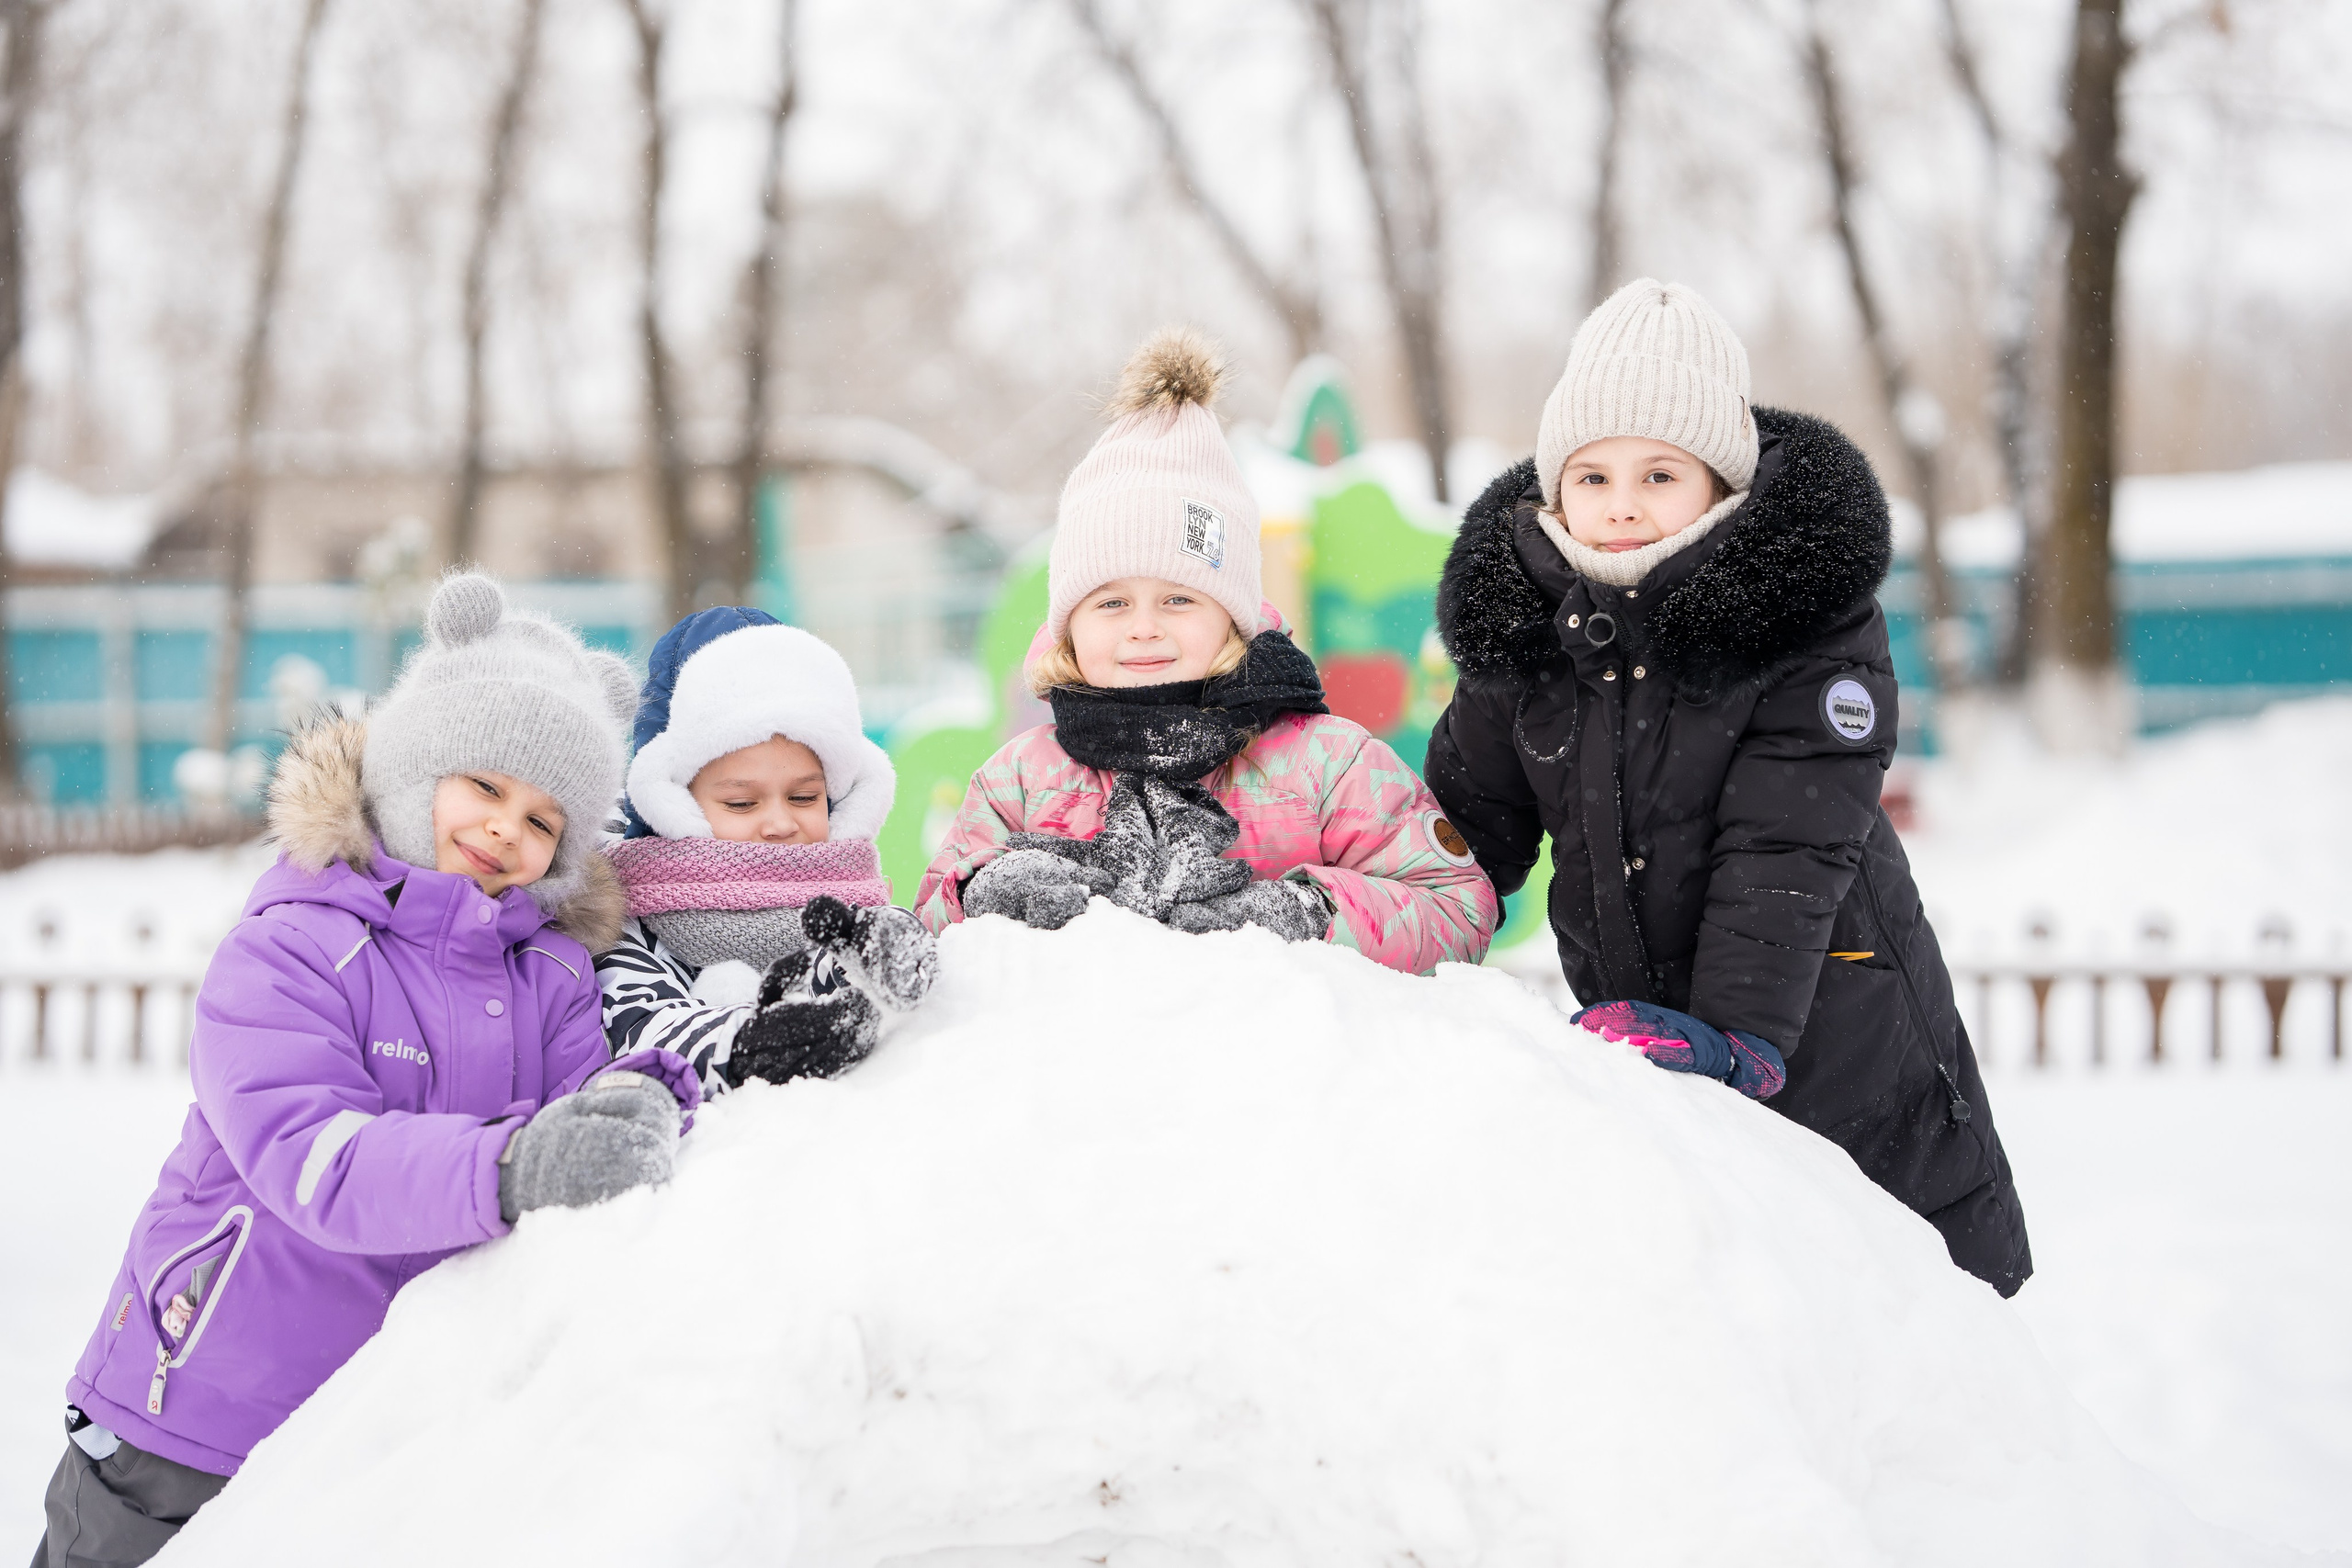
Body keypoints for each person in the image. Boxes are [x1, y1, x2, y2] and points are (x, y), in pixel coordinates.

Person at [34, 573, 699, 1567]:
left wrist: (644, 1099)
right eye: (484, 785)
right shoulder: (292, 945)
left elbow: (582, 1122)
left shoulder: (553, 973)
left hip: (384, 1434)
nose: (506, 828)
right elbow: (312, 1157)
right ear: (412, 768)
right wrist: (510, 1167)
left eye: (544, 819)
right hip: (193, 1420)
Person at [1424, 279, 2030, 1295]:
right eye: (1592, 474)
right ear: (1550, 488)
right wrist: (1377, 938)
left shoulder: (1801, 626)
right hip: (1651, 1036)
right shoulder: (1529, 636)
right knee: (1723, 1295)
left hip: (1838, 1018)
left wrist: (1739, 1037)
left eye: (1661, 473)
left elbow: (1785, 845)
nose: (1621, 504)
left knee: (1884, 1285)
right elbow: (1459, 827)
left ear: (1722, 487)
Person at [918, 326, 1497, 976]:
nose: (1143, 627)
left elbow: (1458, 909)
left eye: (1179, 599)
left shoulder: (1328, 764)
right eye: (1111, 603)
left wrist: (1301, 914)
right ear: (1068, 627)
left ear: (1233, 617)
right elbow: (931, 930)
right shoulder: (1020, 780)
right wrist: (983, 898)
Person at [598, 608, 937, 1098]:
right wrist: (747, 1046)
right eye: (741, 802)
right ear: (673, 804)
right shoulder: (633, 917)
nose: (780, 824)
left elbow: (863, 991)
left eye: (804, 798)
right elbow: (640, 1026)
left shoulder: (849, 902)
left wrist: (879, 953)